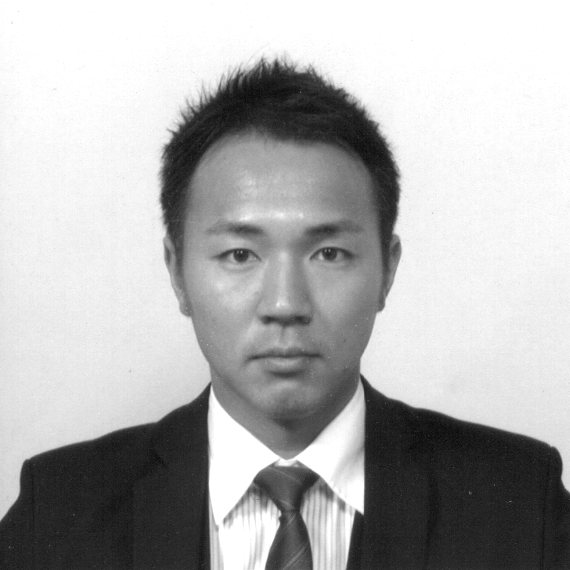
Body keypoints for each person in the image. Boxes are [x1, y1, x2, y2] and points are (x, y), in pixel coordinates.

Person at [1, 58, 569, 570]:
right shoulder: (56, 511)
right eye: (239, 255)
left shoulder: (522, 503)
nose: (285, 305)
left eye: (329, 253)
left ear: (387, 270)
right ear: (177, 272)